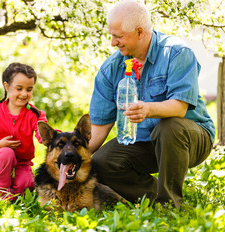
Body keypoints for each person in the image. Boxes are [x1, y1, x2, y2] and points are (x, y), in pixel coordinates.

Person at [89, 0, 215, 207]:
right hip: (144, 141)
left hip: (190, 138)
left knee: (169, 126)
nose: (113, 42)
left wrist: (148, 109)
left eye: (118, 36)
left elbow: (179, 107)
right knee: (102, 162)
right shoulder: (110, 69)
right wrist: (70, 158)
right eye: (111, 35)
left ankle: (170, 206)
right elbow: (98, 130)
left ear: (140, 32)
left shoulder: (176, 53)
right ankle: (155, 197)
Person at [0, 62, 47, 202]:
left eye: (29, 89)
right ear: (7, 86)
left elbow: (43, 133)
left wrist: (57, 138)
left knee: (26, 186)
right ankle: (2, 193)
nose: (24, 94)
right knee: (6, 152)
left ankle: (14, 187)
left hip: (21, 162)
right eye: (19, 88)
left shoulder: (35, 114)